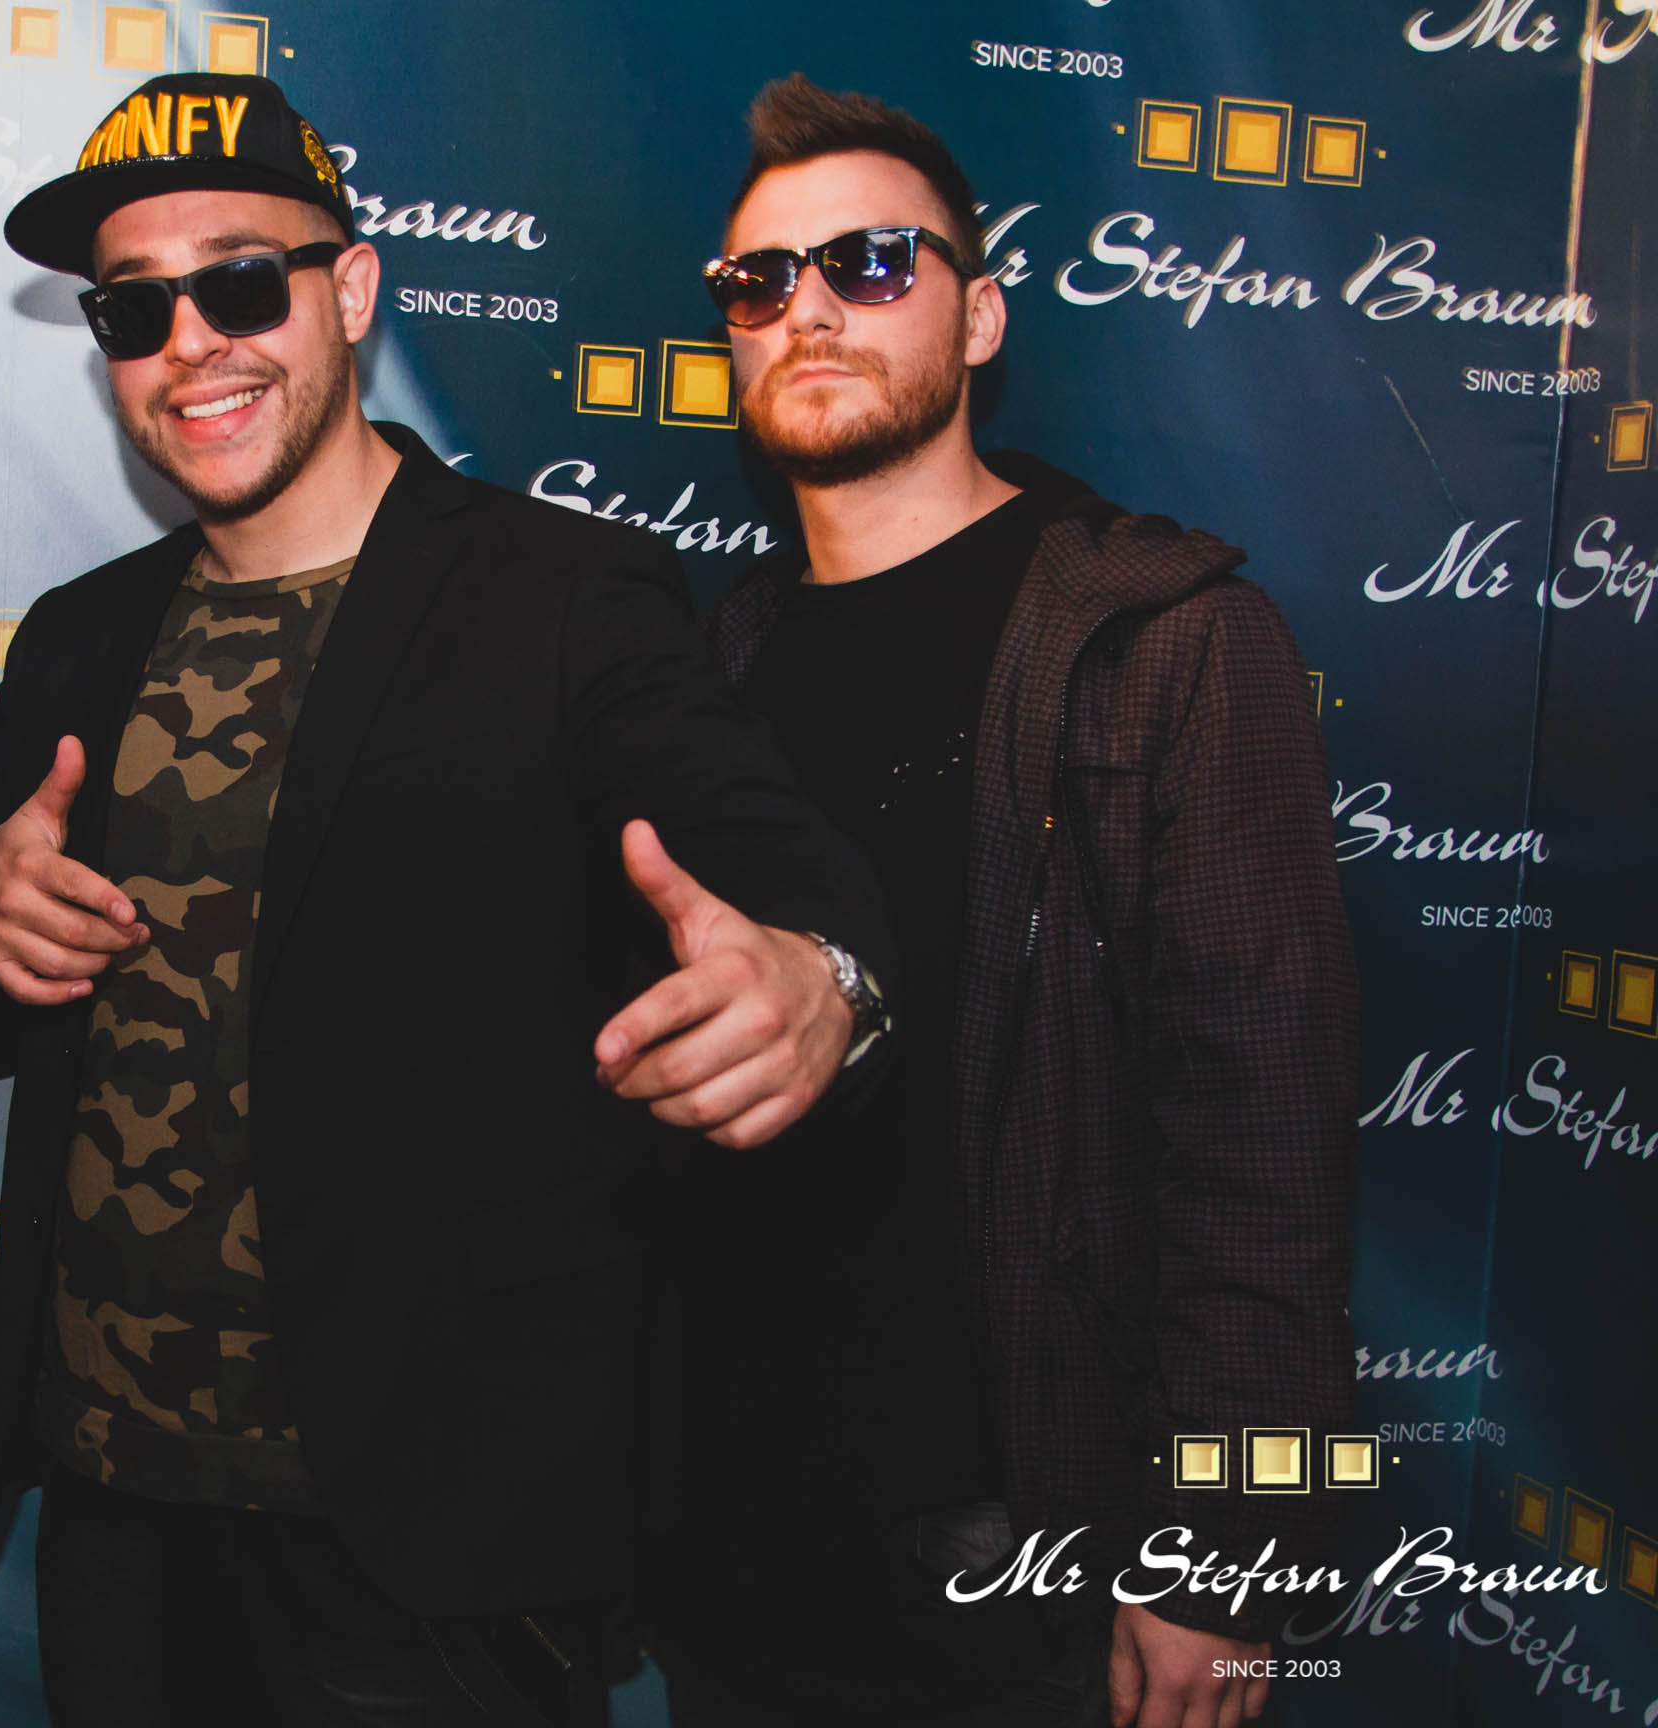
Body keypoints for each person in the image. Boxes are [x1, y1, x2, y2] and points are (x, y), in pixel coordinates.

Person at [0, 71, 892, 1728]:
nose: (192, 343)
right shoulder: (77, 637)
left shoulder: (568, 596)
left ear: (352, 291)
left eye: (243, 283)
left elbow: (789, 876)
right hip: (113, 1502)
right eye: (135, 308)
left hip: (432, 1551)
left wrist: (822, 979)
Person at [646, 75, 1358, 1728]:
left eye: (871, 263)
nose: (809, 308)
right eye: (759, 281)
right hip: (735, 1539)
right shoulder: (711, 660)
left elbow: (1268, 1146)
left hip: (1032, 1555)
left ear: (978, 318)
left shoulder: (1166, 643)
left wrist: (1232, 1552)